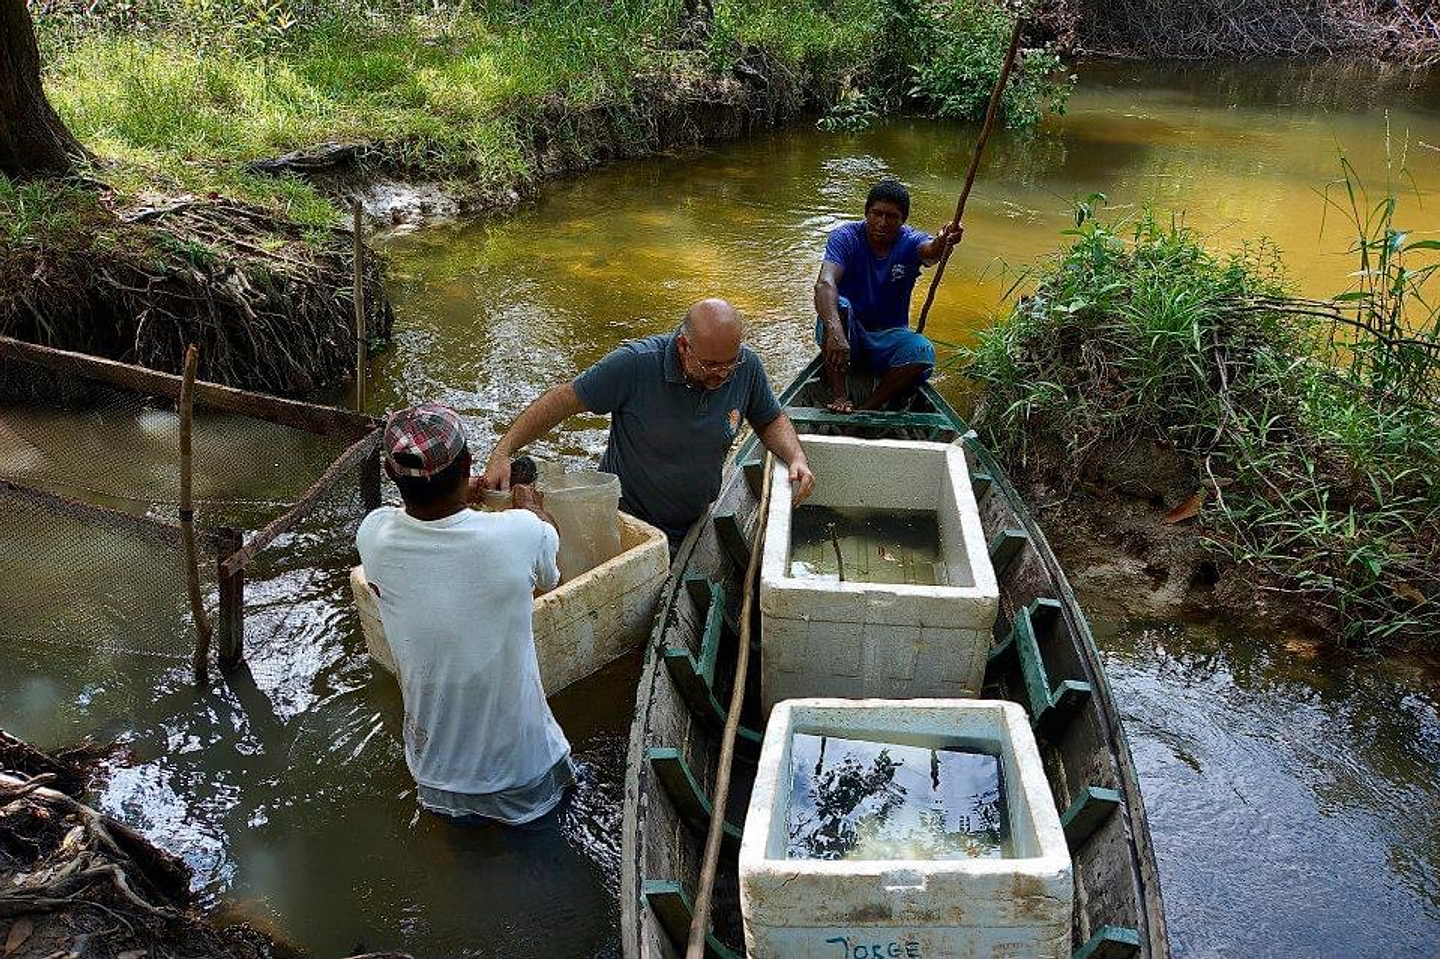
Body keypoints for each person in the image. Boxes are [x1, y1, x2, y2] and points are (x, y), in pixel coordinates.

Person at [356, 402, 574, 825]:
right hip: (524, 775)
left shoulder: (374, 536)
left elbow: (417, 520)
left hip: (436, 780)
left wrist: (461, 493)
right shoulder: (521, 533)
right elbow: (549, 560)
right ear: (468, 464)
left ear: (389, 474)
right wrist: (528, 504)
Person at [478, 298, 816, 550]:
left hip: (695, 521)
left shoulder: (746, 367)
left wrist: (796, 457)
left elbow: (769, 418)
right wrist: (503, 451)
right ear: (684, 347)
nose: (723, 375)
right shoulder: (635, 365)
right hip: (626, 521)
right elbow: (563, 400)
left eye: (730, 363)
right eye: (712, 365)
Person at [814, 178, 962, 412]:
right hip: (846, 333)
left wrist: (943, 242)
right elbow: (824, 283)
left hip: (887, 337)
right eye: (877, 213)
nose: (882, 222)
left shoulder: (910, 240)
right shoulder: (845, 237)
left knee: (922, 351)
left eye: (892, 217)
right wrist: (835, 331)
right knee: (838, 307)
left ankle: (869, 407)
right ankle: (840, 395)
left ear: (903, 220)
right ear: (866, 213)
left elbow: (930, 253)